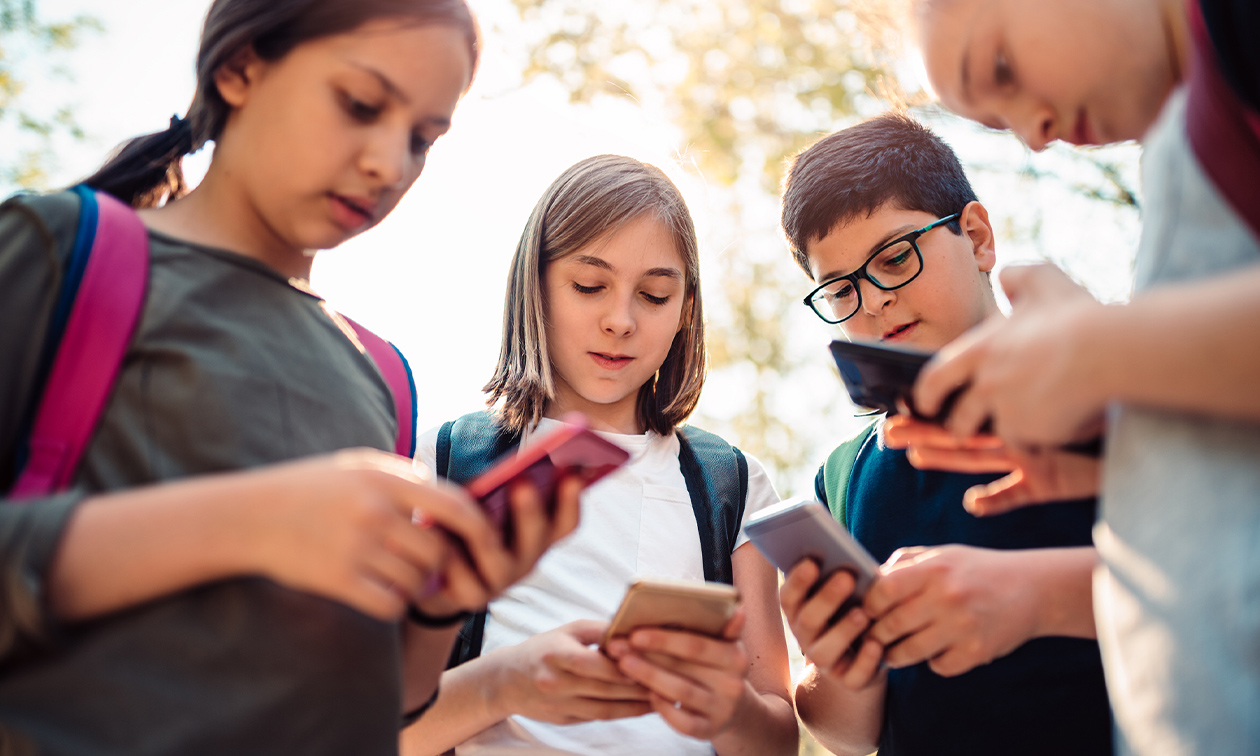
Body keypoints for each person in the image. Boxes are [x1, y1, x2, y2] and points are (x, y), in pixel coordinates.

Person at [0, 1, 580, 753]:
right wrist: (250, 523)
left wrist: (445, 603)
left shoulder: (383, 377)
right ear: (241, 67)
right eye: (360, 105)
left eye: (422, 139)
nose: (388, 164)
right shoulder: (61, 252)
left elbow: (385, 703)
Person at [886, 0, 1260, 753]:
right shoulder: (1183, 147)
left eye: (1001, 70)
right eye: (998, 123)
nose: (1035, 133)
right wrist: (1134, 437)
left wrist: (1103, 350)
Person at [399, 154, 798, 756]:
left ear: (686, 308)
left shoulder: (729, 484)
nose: (620, 321)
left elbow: (778, 738)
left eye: (655, 295)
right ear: (536, 285)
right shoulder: (447, 462)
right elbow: (372, 729)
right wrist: (501, 688)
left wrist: (731, 709)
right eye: (589, 287)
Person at [775, 113, 1111, 756]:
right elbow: (850, 734)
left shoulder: (1111, 385)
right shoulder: (844, 478)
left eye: (895, 258)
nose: (872, 302)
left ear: (978, 237)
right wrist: (840, 663)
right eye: (839, 290)